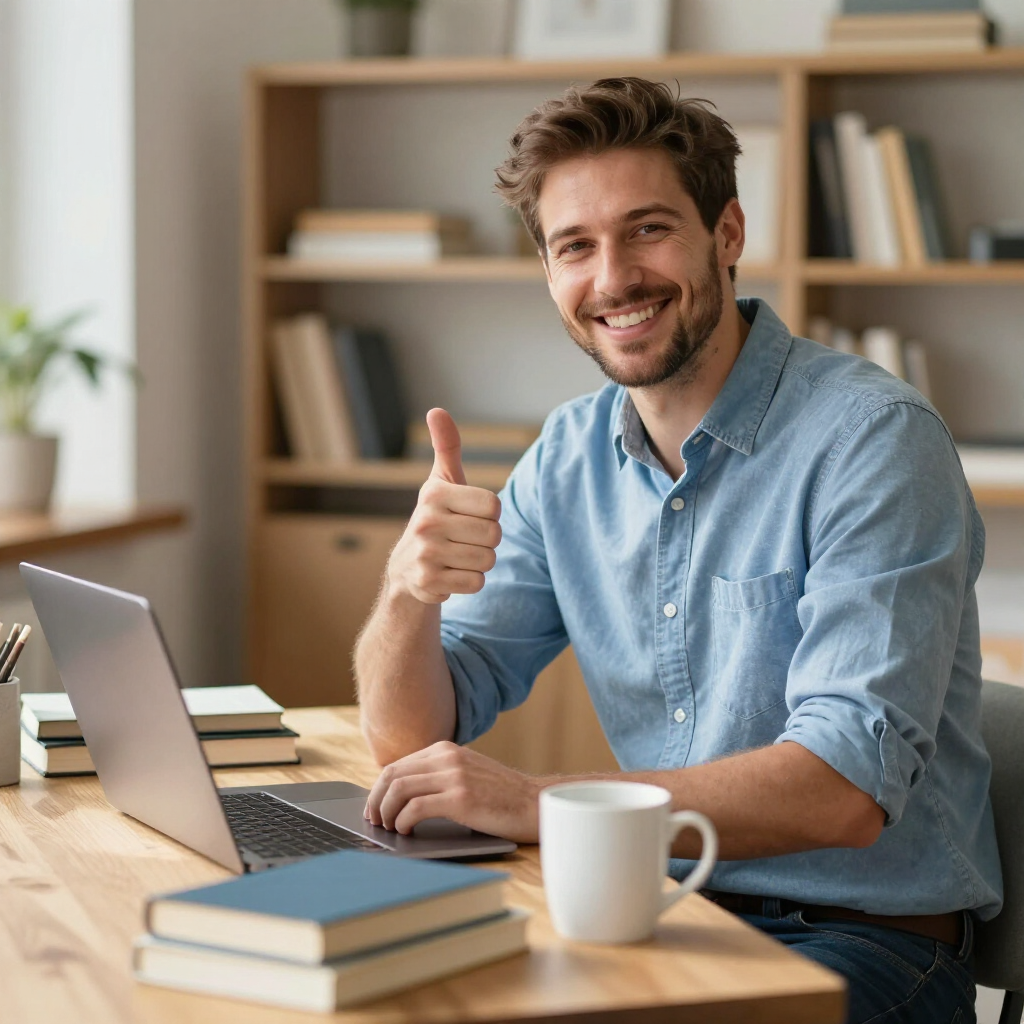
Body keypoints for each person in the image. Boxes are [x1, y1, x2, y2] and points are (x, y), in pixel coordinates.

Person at [353, 77, 1001, 1023]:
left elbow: (843, 789)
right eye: (575, 246)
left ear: (727, 234)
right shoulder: (566, 458)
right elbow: (409, 740)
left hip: (860, 946)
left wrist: (541, 801)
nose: (613, 278)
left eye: (648, 229)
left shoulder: (873, 440)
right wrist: (409, 590)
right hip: (653, 912)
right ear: (549, 272)